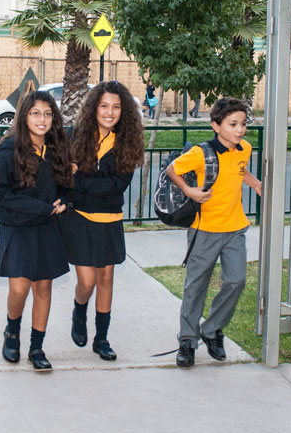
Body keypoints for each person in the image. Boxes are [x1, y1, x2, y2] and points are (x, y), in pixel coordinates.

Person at [165, 97, 262, 368]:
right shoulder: (201, 153)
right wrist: (189, 190)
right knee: (196, 286)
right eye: (233, 124)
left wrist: (256, 184)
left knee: (236, 280)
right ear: (216, 125)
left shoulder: (244, 148)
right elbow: (173, 169)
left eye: (243, 124)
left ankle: (212, 330)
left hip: (234, 228)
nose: (240, 129)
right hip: (204, 231)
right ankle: (187, 341)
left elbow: (240, 171)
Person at [0, 90, 73, 372]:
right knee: (18, 287)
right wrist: (42, 207)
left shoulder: (57, 147)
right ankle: (12, 331)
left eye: (48, 114)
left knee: (44, 286)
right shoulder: (9, 149)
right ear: (24, 116)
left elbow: (63, 184)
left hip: (48, 226)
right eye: (35, 113)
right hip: (17, 226)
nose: (42, 119)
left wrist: (63, 200)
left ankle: (36, 347)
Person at [64, 81, 145, 361]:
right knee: (87, 282)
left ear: (124, 112)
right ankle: (79, 308)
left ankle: (101, 339)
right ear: (93, 108)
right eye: (104, 106)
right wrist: (83, 182)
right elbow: (64, 178)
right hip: (80, 218)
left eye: (116, 107)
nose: (110, 113)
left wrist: (80, 179)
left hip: (110, 218)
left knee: (106, 278)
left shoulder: (128, 142)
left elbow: (117, 186)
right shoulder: (73, 136)